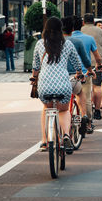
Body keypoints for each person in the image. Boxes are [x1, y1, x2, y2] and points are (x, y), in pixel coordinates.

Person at [31, 17, 83, 154]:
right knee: (64, 110)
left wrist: (34, 78)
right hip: (63, 85)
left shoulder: (40, 44)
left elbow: (35, 66)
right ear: (61, 30)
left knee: (46, 108)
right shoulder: (67, 44)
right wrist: (79, 73)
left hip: (44, 85)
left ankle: (44, 140)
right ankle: (66, 135)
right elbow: (77, 63)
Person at [61, 16, 95, 134]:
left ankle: (49, 137)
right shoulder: (76, 42)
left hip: (58, 77)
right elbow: (85, 60)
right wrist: (90, 70)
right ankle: (84, 116)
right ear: (72, 29)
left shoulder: (53, 42)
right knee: (80, 94)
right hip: (73, 77)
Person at [71, 15, 102, 133]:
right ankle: (88, 123)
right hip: (84, 73)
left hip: (68, 74)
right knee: (86, 99)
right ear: (82, 24)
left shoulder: (66, 39)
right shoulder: (89, 39)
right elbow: (96, 56)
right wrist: (99, 64)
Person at [81, 13, 102, 120]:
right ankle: (97, 110)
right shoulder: (101, 32)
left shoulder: (80, 30)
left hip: (83, 64)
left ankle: (83, 111)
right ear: (93, 22)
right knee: (97, 87)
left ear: (83, 22)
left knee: (83, 89)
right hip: (97, 63)